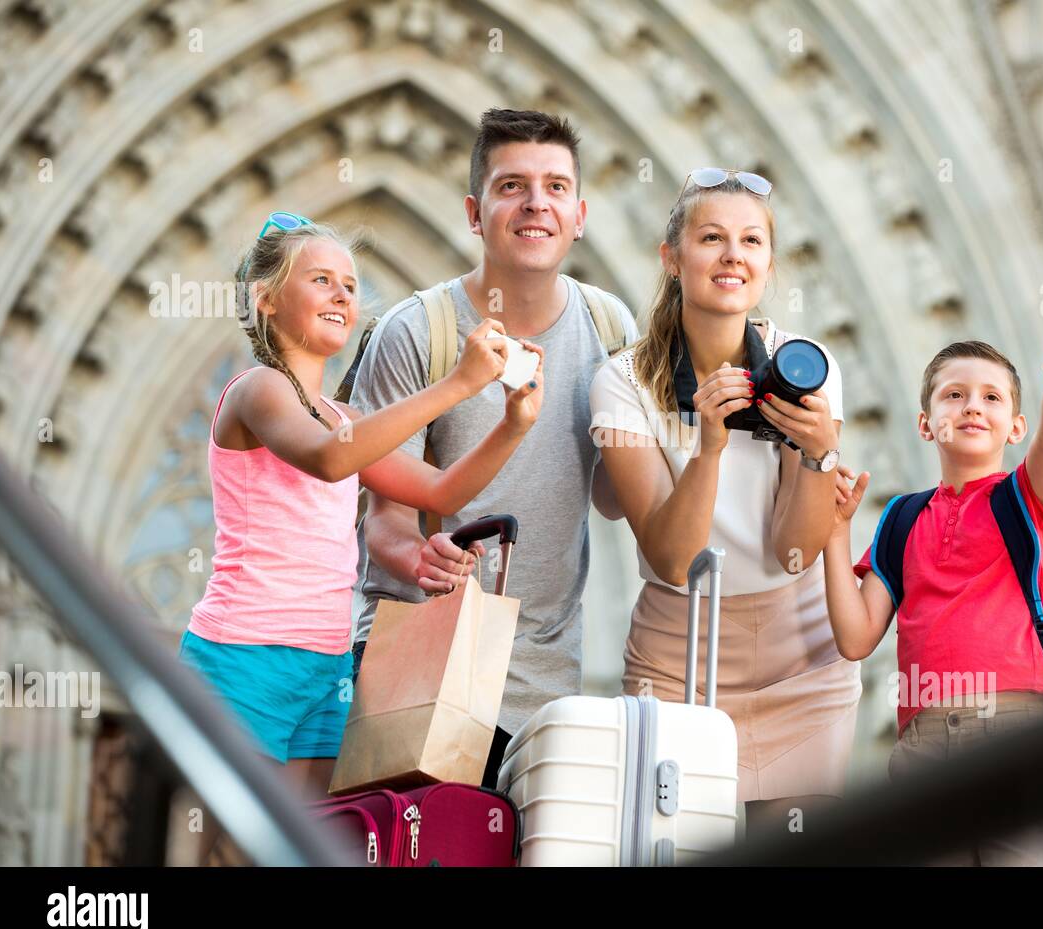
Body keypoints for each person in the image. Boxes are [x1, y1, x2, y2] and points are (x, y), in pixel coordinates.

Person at [180, 215, 542, 802]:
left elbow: (443, 492)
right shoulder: (258, 389)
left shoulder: (345, 421)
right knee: (231, 845)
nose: (342, 294)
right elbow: (327, 459)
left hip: (325, 670)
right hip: (245, 657)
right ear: (266, 301)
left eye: (349, 285)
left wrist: (512, 424)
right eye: (320, 279)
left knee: (301, 848)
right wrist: (456, 385)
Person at [349, 109, 637, 789]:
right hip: (421, 661)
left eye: (556, 187)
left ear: (580, 213)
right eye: (513, 186)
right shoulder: (417, 331)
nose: (537, 202)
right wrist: (418, 556)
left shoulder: (610, 327)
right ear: (476, 214)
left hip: (545, 677)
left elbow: (615, 500)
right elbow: (383, 522)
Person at [589, 169, 861, 842]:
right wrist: (707, 448)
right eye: (711, 238)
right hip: (676, 656)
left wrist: (818, 455)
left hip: (802, 661)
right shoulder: (623, 382)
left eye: (750, 241)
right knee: (669, 848)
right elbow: (672, 557)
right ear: (672, 257)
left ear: (768, 265)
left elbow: (795, 552)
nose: (732, 255)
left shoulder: (807, 368)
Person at [824, 324, 1043, 865]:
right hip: (923, 741)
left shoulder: (1023, 498)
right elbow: (856, 638)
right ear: (926, 425)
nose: (973, 407)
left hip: (1016, 731)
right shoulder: (900, 518)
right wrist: (835, 533)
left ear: (1015, 426)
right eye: (954, 395)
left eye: (991, 398)